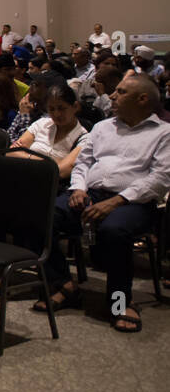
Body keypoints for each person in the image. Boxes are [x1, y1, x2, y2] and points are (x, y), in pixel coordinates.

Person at [38, 75, 170, 334]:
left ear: (142, 99)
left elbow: (160, 179)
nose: (112, 96)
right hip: (92, 193)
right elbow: (84, 163)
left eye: (120, 92)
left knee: (113, 230)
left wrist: (116, 201)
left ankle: (120, 300)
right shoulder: (103, 127)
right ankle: (64, 285)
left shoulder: (163, 133)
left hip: (134, 202)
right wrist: (78, 188)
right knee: (44, 214)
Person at [12, 84, 87, 180]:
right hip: (21, 175)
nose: (56, 114)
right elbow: (11, 153)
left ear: (75, 106)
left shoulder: (84, 138)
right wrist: (54, 161)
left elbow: (60, 172)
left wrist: (26, 155)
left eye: (61, 108)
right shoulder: (42, 123)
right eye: (51, 109)